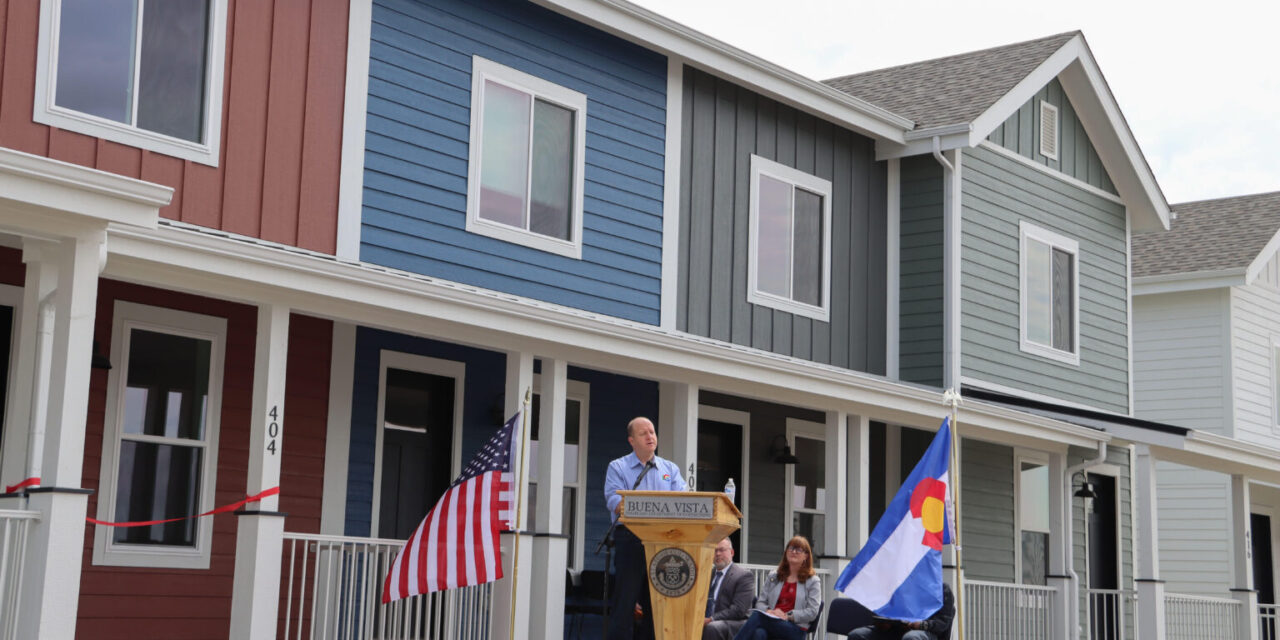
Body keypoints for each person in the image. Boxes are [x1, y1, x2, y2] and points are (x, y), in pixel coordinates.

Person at [603, 416, 687, 640]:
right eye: (644, 433)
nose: (650, 437)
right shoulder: (618, 467)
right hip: (630, 539)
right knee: (625, 605)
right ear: (632, 440)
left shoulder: (670, 469)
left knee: (656, 607)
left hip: (663, 543)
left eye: (652, 432)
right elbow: (614, 501)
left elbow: (684, 502)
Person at [732, 536, 822, 640]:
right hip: (771, 622)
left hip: (795, 629)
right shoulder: (774, 576)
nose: (794, 552)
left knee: (757, 616)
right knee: (759, 633)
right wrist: (769, 611)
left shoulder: (812, 581)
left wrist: (787, 616)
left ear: (806, 555)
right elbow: (760, 603)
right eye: (791, 548)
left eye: (798, 549)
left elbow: (812, 611)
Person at [847, 583, 954, 640]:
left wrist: (920, 625)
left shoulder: (942, 589)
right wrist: (883, 621)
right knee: (857, 635)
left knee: (912, 637)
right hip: (895, 629)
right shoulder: (900, 584)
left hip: (927, 633)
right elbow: (883, 609)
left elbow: (942, 624)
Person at [702, 537, 755, 640]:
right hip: (708, 620)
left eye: (721, 550)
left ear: (732, 552)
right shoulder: (707, 575)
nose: (717, 554)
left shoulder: (743, 576)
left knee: (712, 627)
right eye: (715, 550)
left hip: (733, 623)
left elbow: (738, 610)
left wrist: (711, 619)